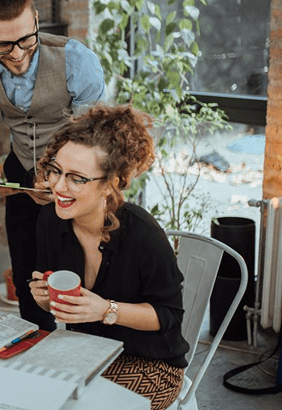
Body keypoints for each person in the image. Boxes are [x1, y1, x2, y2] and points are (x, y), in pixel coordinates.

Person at [0, 0, 105, 327]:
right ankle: (32, 347)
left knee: (77, 272)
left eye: (27, 39)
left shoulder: (77, 60)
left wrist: (56, 178)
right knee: (28, 272)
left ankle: (85, 348)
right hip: (20, 169)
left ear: (37, 20)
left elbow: (92, 137)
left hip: (76, 175)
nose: (18, 55)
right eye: (3, 46)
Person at [29, 104, 189, 409]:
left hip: (151, 365)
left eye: (77, 178)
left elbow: (169, 317)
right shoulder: (51, 220)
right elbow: (55, 297)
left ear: (111, 184)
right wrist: (45, 298)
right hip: (85, 351)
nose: (58, 187)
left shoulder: (143, 234)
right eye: (55, 170)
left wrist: (105, 309)